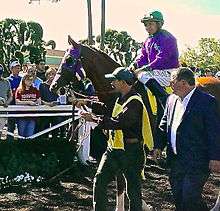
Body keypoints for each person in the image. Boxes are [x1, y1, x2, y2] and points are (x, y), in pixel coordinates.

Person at [75, 67, 154, 211]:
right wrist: (86, 102)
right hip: (114, 149)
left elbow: (119, 122)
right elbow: (106, 108)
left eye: (114, 80)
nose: (111, 83)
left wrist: (93, 118)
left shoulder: (134, 102)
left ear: (123, 82)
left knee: (133, 191)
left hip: (131, 152)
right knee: (99, 181)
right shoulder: (121, 97)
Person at [153, 67, 220, 211]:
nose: (170, 85)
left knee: (190, 197)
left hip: (197, 160)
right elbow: (164, 125)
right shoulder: (171, 100)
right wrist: (158, 145)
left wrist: (215, 157)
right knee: (178, 197)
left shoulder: (207, 102)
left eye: (172, 82)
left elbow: (214, 132)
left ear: (183, 82)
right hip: (176, 159)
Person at [131, 10, 179, 108]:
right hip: (156, 71)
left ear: (159, 24)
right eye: (146, 25)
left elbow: (161, 59)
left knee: (142, 75)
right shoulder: (148, 40)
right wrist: (134, 65)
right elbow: (143, 56)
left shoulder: (167, 38)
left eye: (151, 24)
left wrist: (143, 69)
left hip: (170, 72)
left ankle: (164, 99)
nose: (148, 27)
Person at [0, 64, 13, 131]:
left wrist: (7, 103)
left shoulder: (6, 82)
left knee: (0, 129)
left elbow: (10, 96)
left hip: (3, 110)